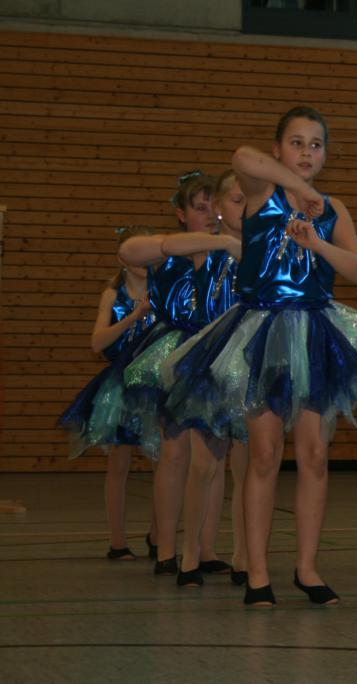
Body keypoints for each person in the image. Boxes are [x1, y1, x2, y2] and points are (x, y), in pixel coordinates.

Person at [162, 106, 357, 606]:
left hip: (314, 334)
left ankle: (307, 568)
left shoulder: (333, 209)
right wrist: (296, 187)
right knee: (263, 454)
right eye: (296, 143)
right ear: (279, 148)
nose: (306, 153)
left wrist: (318, 243)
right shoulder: (262, 194)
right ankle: (258, 573)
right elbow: (242, 156)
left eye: (315, 145)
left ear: (326, 154)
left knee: (314, 455)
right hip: (261, 332)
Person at [119, 171, 218, 575]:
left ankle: (206, 549)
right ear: (181, 213)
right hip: (174, 352)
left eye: (214, 208)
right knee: (174, 452)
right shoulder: (167, 253)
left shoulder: (226, 254)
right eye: (200, 208)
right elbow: (128, 251)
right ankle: (164, 549)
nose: (209, 215)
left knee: (212, 455)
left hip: (214, 350)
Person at [157, 170, 245, 588]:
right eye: (235, 200)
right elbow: (161, 247)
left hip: (245, 361)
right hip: (204, 364)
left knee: (245, 467)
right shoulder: (203, 249)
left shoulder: (256, 248)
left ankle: (239, 555)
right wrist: (222, 240)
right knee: (199, 463)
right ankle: (185, 552)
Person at [57, 226, 156, 560]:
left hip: (156, 381)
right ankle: (118, 542)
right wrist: (133, 317)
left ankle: (159, 538)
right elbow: (97, 342)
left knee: (164, 461)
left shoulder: (165, 291)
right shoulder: (113, 294)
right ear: (123, 258)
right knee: (119, 463)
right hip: (121, 384)